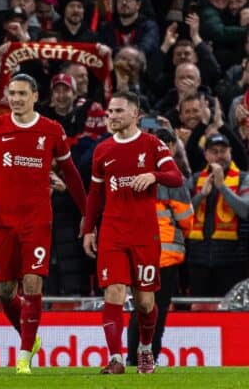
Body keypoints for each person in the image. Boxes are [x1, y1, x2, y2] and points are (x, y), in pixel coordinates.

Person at [0, 73, 87, 374]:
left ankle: (23, 357)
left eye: (22, 94)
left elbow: (71, 174)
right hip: (4, 222)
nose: (16, 99)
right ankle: (28, 336)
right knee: (5, 292)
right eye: (12, 94)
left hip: (37, 220)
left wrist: (88, 212)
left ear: (35, 96)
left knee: (32, 283)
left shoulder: (51, 130)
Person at [82, 91, 183, 374]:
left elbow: (176, 177)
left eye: (118, 111)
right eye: (109, 112)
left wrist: (154, 175)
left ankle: (145, 350)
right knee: (113, 292)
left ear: (135, 114)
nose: (111, 116)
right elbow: (95, 194)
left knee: (145, 301)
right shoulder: (102, 150)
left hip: (144, 233)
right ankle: (115, 359)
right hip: (112, 231)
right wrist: (89, 229)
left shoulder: (153, 144)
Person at [127, 128, 194, 366]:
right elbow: (187, 220)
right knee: (159, 311)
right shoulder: (175, 179)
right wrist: (177, 236)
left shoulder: (133, 174)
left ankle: (132, 359)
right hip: (167, 257)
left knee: (140, 309)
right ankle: (150, 358)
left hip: (139, 253)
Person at [185, 134, 249, 296]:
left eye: (223, 151)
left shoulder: (244, 178)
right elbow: (182, 214)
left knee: (229, 310)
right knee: (198, 310)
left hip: (232, 260)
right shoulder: (195, 179)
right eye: (214, 151)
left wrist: (222, 187)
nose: (219, 155)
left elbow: (245, 211)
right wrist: (201, 195)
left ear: (230, 152)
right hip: (197, 258)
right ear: (206, 155)